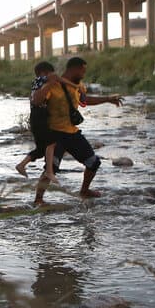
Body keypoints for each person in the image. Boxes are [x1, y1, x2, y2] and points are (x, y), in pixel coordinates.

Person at [33, 56, 122, 206]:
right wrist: (49, 84)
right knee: (51, 169)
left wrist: (107, 99)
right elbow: (36, 100)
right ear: (73, 69)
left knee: (93, 163)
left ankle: (84, 190)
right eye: (82, 71)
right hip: (55, 134)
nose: (83, 74)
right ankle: (38, 199)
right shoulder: (54, 84)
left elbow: (85, 101)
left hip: (72, 133)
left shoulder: (78, 86)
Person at [15, 61, 80, 182]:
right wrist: (76, 86)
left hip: (35, 116)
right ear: (45, 72)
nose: (53, 75)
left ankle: (22, 165)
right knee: (52, 142)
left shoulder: (36, 82)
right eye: (52, 73)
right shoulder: (45, 79)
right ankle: (49, 171)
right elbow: (59, 79)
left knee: (41, 149)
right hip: (41, 116)